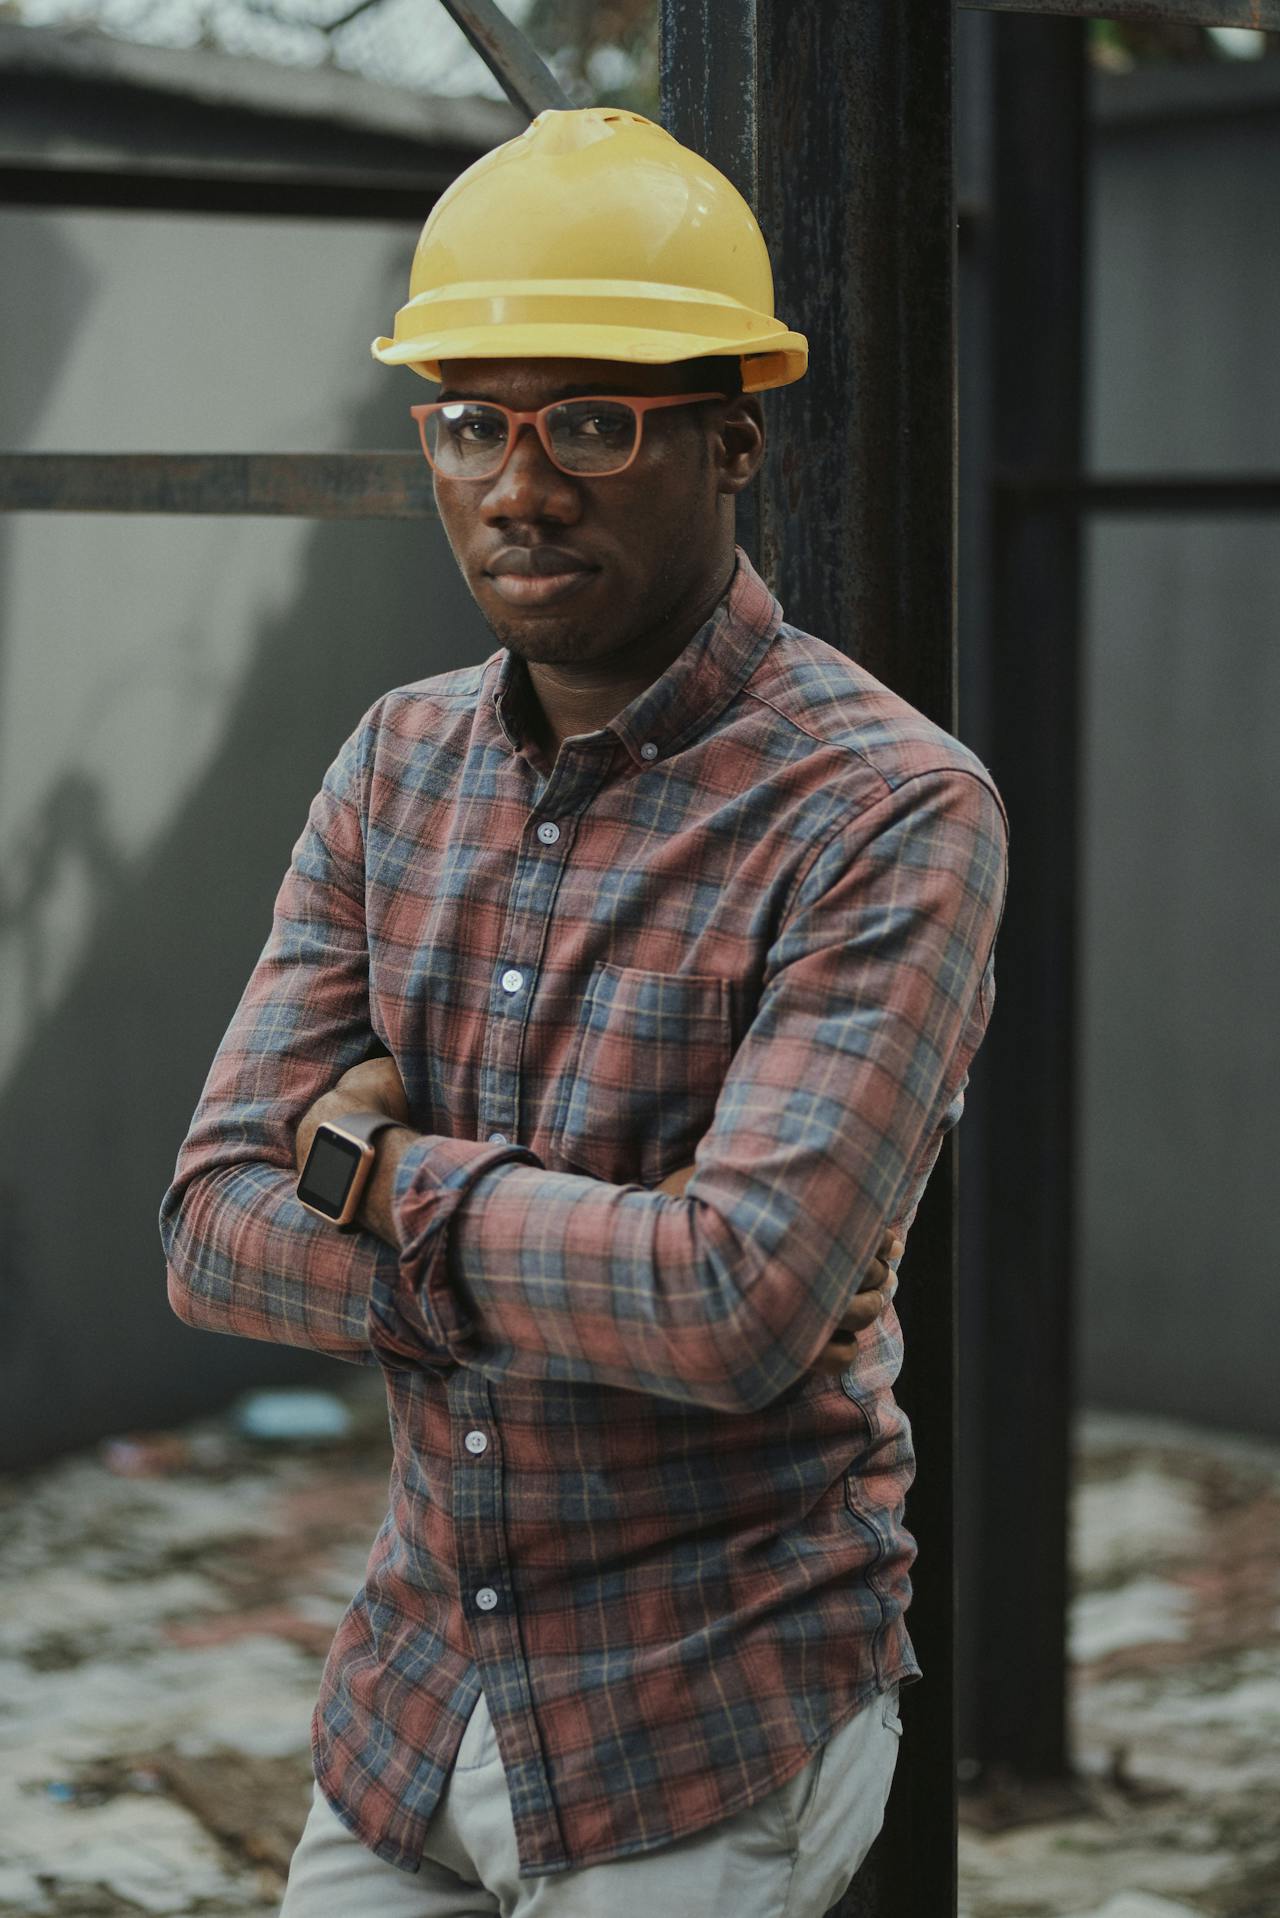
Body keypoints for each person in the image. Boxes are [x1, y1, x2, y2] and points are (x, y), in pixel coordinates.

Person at [160, 106, 1009, 1918]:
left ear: (733, 439)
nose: (521, 483)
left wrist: (383, 1170)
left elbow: (731, 1302)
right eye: (475, 422)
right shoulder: (397, 764)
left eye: (595, 422)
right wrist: (581, 1234)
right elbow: (213, 1227)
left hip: (703, 1703)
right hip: (416, 1687)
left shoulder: (886, 808)